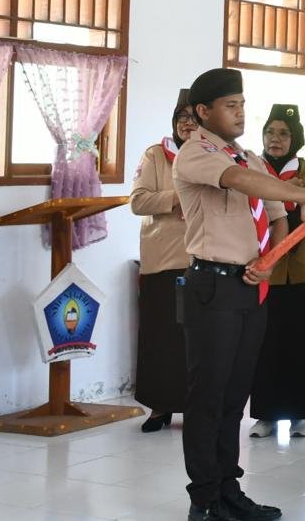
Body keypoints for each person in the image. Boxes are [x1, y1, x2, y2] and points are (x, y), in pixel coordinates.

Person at [173, 68, 305, 521]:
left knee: (236, 393)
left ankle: (228, 488)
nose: (240, 113)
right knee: (209, 395)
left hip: (249, 286)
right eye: (230, 106)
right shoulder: (196, 153)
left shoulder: (249, 158)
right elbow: (242, 184)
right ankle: (205, 498)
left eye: (242, 105)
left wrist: (270, 261)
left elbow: (277, 216)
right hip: (212, 287)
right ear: (204, 112)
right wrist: (303, 194)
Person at [248, 104, 305, 439]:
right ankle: (265, 415)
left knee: (302, 343)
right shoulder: (252, 168)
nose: (275, 139)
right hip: (265, 269)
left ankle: (300, 415)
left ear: (296, 139)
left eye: (283, 133)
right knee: (265, 344)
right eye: (270, 132)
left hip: (303, 270)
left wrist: (297, 195)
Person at [129, 87, 195, 433]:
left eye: (193, 118)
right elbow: (138, 201)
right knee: (161, 338)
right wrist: (176, 198)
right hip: (162, 261)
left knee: (195, 341)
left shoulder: (214, 157)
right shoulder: (155, 155)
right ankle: (159, 407)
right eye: (181, 118)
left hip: (202, 259)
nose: (186, 124)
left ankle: (195, 408)